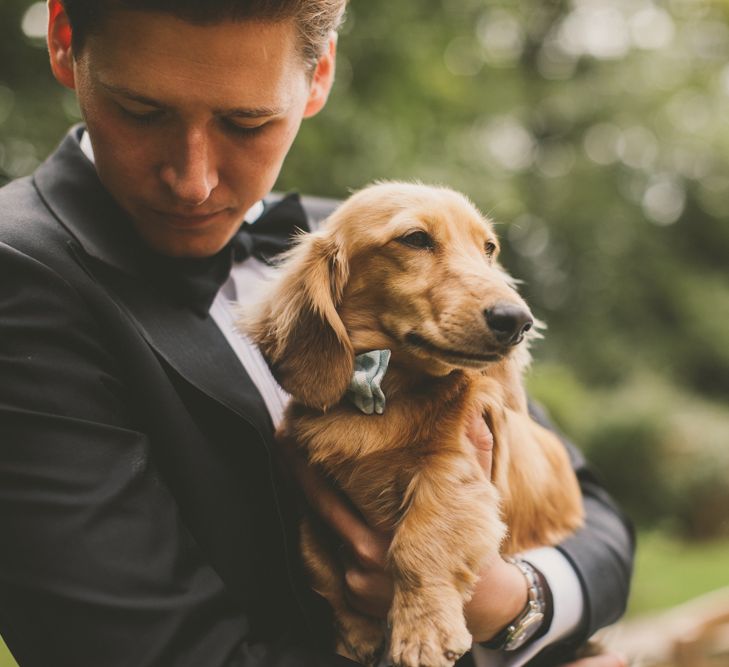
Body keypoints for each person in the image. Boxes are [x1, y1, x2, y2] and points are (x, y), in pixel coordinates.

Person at [0, 0, 633, 665]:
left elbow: (599, 523)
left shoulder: (367, 246)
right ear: (66, 40)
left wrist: (514, 604)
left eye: (248, 122)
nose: (194, 181)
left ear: (320, 72)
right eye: (142, 112)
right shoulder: (22, 277)